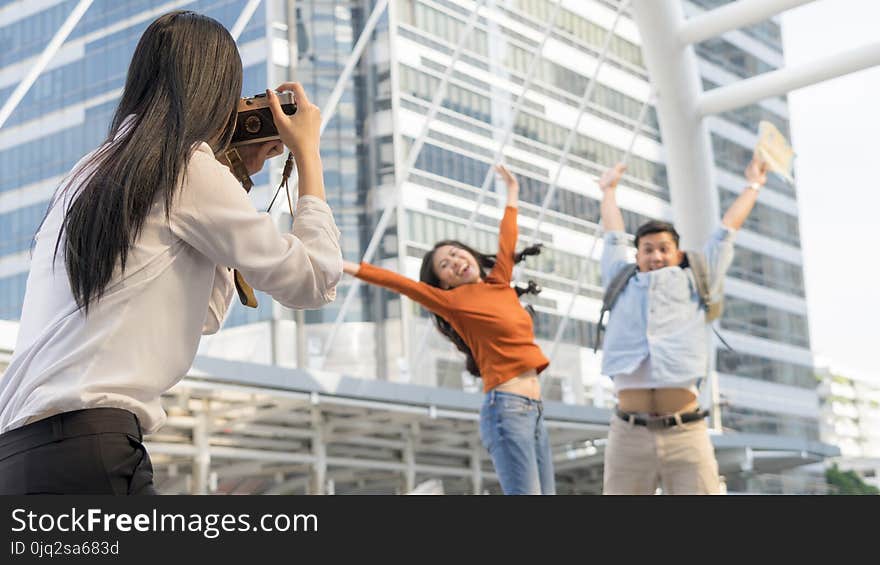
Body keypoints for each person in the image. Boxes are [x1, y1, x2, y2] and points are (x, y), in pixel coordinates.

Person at [0, 11, 342, 494]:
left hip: (21, 458)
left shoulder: (87, 173)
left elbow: (201, 312)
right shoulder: (186, 168)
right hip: (92, 452)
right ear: (217, 92)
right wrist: (308, 153)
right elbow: (313, 280)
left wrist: (236, 175)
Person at [342, 165, 554, 495]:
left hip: (534, 410)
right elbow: (399, 283)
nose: (455, 261)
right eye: (446, 265)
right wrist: (343, 265)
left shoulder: (499, 283)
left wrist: (512, 192)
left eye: (455, 253)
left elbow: (507, 236)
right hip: (508, 410)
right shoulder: (454, 302)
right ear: (445, 282)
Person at [597, 156, 768, 495]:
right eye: (648, 250)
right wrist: (608, 191)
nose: (656, 256)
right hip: (628, 434)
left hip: (686, 433)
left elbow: (725, 234)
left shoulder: (694, 281)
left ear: (677, 254)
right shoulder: (621, 280)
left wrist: (754, 185)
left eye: (664, 249)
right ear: (638, 257)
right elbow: (614, 236)